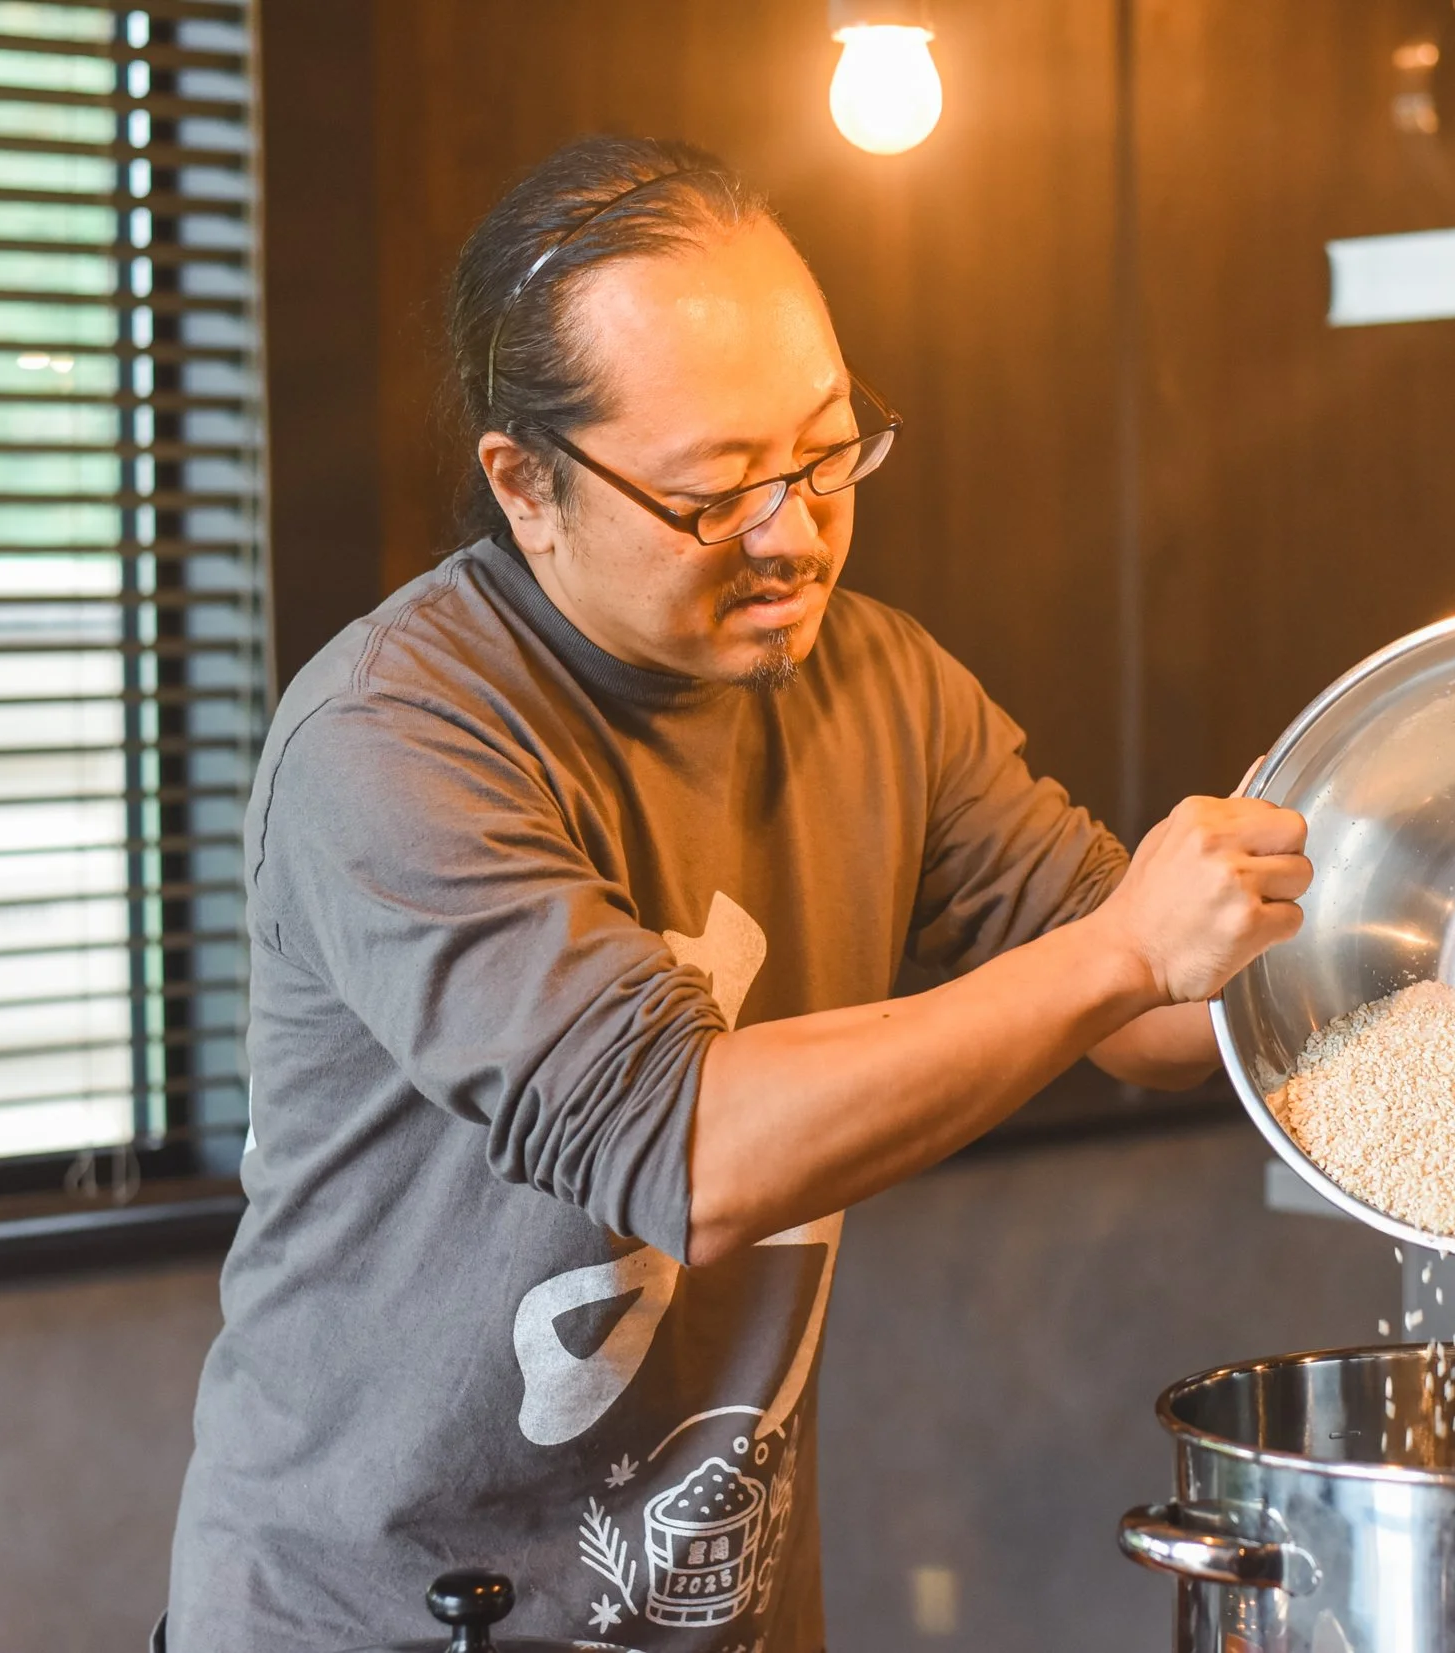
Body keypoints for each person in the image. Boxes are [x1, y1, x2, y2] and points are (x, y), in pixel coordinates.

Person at [164, 135, 1309, 1652]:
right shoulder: (393, 737)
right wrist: (1123, 951)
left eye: (829, 453)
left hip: (717, 1606)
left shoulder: (882, 684)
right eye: (717, 494)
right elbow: (686, 1149)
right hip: (382, 1618)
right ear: (529, 484)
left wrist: (1413, 934)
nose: (795, 533)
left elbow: (1155, 1015)